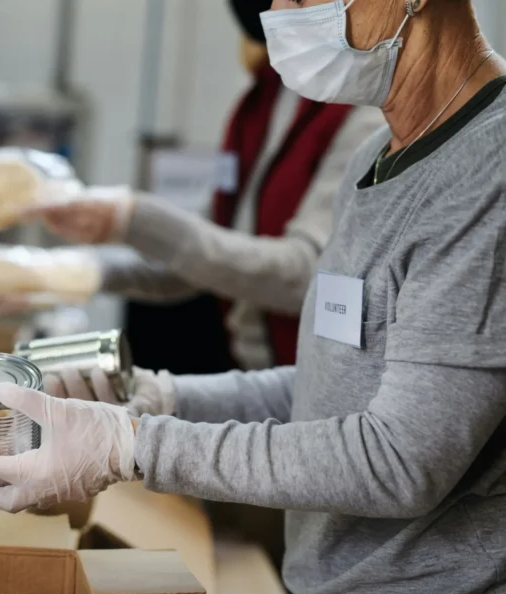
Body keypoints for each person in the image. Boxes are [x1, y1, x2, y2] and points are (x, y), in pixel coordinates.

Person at [0, 1, 506, 594]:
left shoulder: (490, 171)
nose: (279, 14)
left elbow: (399, 458)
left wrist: (131, 446)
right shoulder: (372, 162)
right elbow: (332, 387)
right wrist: (160, 397)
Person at [33, 0, 386, 373]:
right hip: (255, 373)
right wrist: (63, 270)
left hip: (314, 382)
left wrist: (133, 218)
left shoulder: (362, 114)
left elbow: (304, 278)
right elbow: (202, 258)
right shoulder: (261, 101)